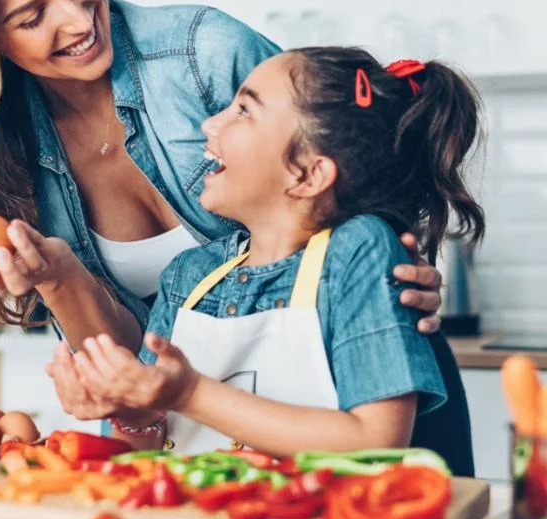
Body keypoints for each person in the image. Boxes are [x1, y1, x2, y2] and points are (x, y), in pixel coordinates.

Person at [0, 0, 452, 453]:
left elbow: (348, 162)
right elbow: (148, 388)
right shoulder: (0, 153)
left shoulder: (207, 55)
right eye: (31, 16)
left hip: (371, 427)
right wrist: (61, 284)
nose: (77, 19)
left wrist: (396, 264)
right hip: (228, 471)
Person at [49, 50, 484, 471]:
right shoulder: (188, 275)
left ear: (308, 175)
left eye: (243, 110)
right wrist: (129, 407)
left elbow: (377, 442)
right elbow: (142, 450)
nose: (210, 123)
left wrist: (190, 394)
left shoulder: (357, 251)